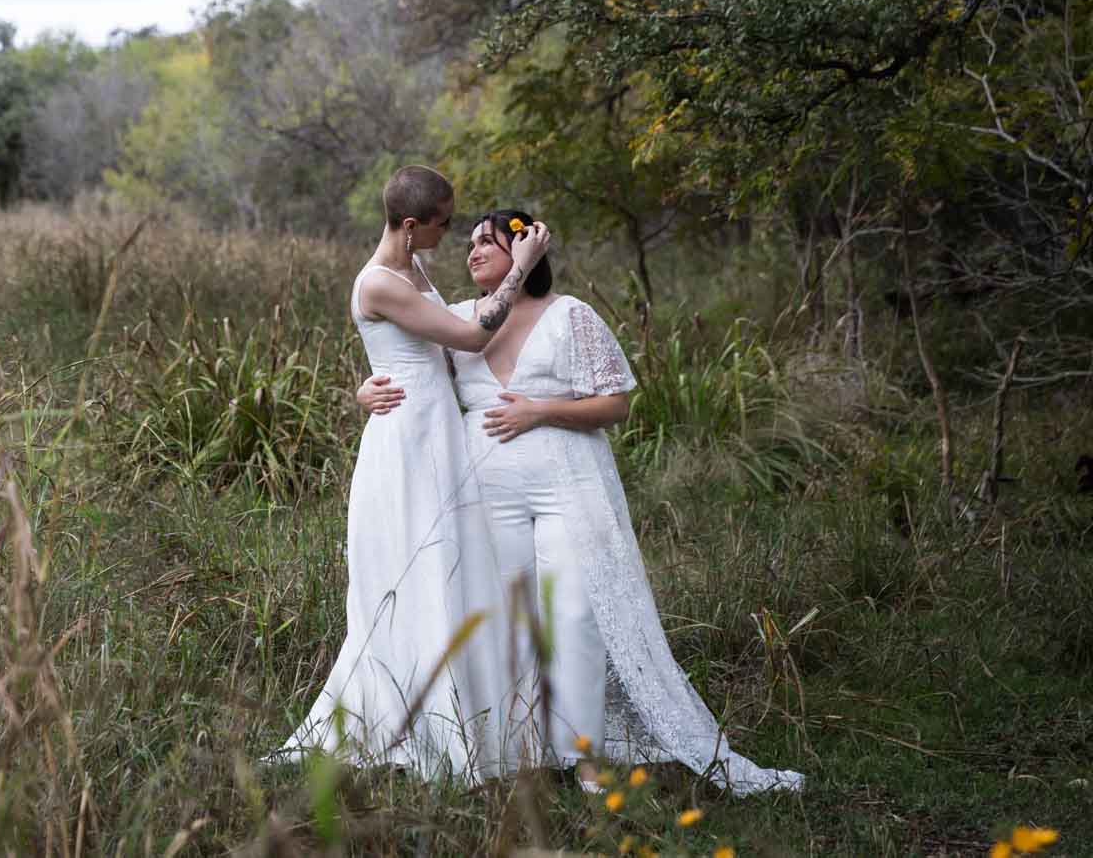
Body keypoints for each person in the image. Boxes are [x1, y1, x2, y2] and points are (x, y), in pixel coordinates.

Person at [357, 210, 804, 796]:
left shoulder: (570, 316)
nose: (471, 254)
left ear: (523, 251)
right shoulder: (464, 319)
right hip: (486, 491)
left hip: (568, 482)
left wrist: (541, 411)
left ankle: (585, 760)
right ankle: (522, 753)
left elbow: (615, 405)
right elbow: (411, 370)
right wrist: (367, 389)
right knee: (506, 620)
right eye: (467, 244)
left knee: (574, 616)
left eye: (485, 243)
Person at [276, 166, 551, 779]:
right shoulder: (378, 282)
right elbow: (474, 337)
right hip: (406, 445)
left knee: (451, 569)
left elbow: (421, 352)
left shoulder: (413, 269)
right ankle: (413, 722)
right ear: (408, 227)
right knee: (417, 571)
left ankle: (469, 710)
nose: (451, 233)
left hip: (438, 434)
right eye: (443, 223)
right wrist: (520, 268)